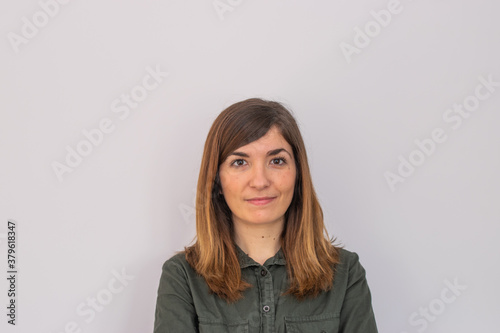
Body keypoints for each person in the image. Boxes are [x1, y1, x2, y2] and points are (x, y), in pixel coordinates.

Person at [153, 98, 378, 332]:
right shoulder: (182, 277)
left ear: (298, 173)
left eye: (276, 161)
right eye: (239, 162)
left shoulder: (345, 273)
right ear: (217, 180)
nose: (260, 181)